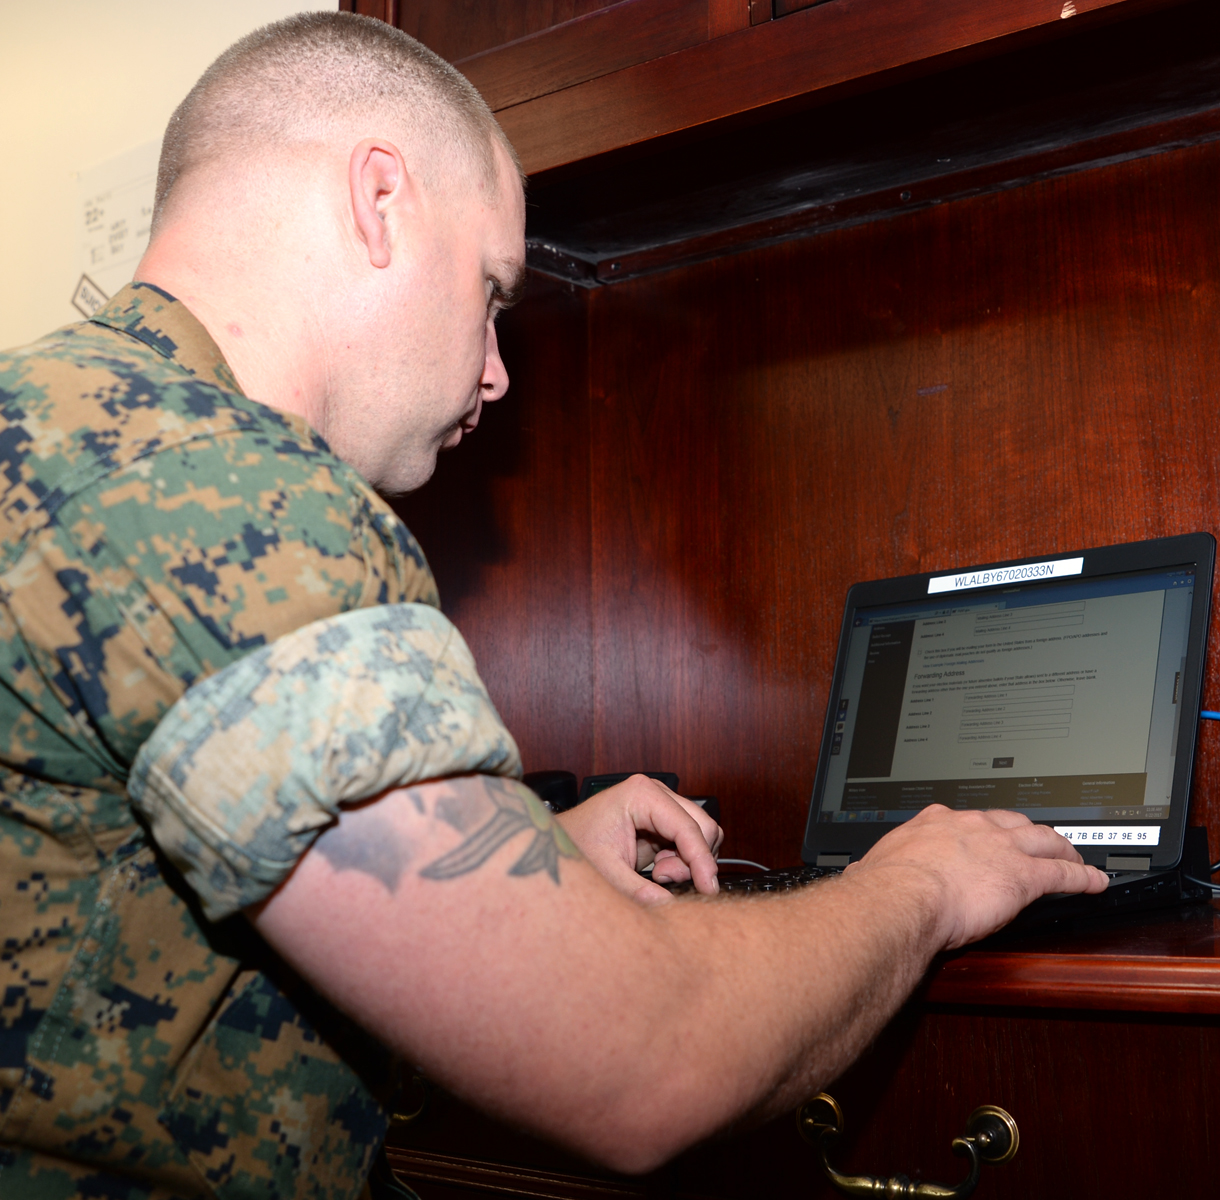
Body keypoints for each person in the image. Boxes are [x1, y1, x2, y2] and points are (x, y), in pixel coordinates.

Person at [0, 13, 1107, 1199]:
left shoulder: (54, 420)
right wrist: (920, 880)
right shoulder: (225, 492)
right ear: (379, 201)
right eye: (490, 290)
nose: (495, 368)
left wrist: (524, 858)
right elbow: (643, 1060)